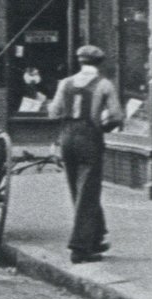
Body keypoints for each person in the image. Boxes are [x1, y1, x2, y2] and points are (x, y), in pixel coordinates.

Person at [47, 44, 122, 262]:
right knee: (88, 191)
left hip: (67, 136)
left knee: (78, 189)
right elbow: (117, 116)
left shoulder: (65, 83)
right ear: (100, 63)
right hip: (90, 137)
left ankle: (96, 237)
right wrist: (103, 127)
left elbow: (53, 113)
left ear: (80, 62)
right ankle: (80, 248)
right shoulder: (104, 84)